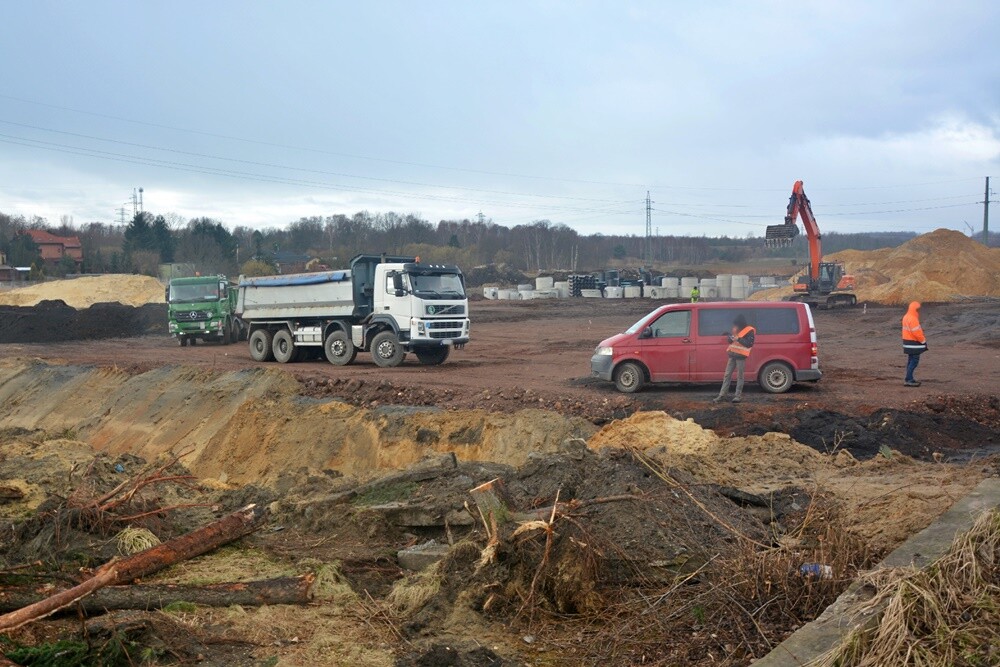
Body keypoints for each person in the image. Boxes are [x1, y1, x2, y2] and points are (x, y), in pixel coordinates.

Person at [713, 315, 756, 403]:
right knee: (727, 375)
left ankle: (738, 396)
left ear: (741, 323)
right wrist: (729, 337)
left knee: (740, 376)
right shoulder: (735, 328)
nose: (736, 326)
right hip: (732, 355)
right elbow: (731, 341)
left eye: (737, 324)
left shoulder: (749, 330)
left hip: (741, 356)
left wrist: (738, 339)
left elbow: (749, 344)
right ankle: (722, 395)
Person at [901, 301, 927, 387]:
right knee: (914, 362)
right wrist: (923, 341)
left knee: (910, 361)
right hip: (913, 343)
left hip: (907, 342)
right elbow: (917, 332)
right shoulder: (913, 318)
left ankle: (909, 378)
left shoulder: (906, 317)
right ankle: (909, 380)